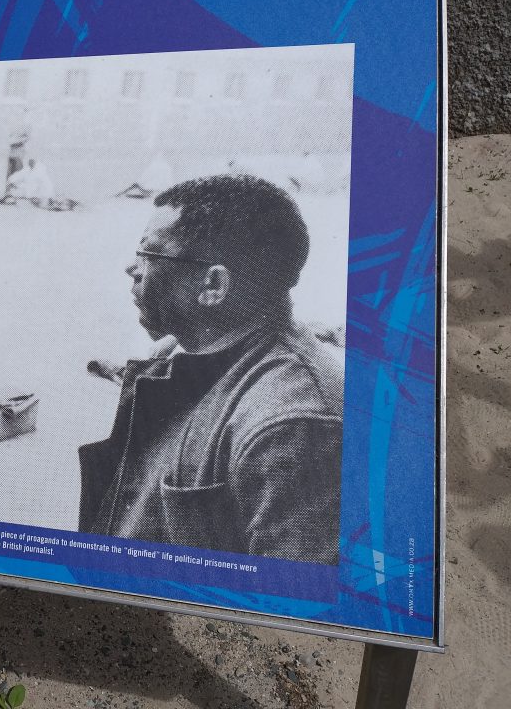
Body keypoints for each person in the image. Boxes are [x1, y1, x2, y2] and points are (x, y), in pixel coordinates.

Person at [79, 175, 343, 564]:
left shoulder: (292, 425)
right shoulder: (187, 353)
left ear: (214, 284)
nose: (131, 268)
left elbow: (288, 604)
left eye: (149, 254)